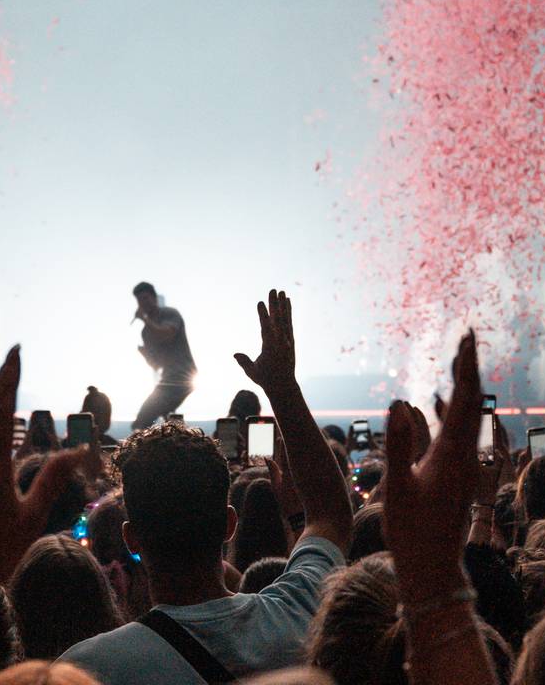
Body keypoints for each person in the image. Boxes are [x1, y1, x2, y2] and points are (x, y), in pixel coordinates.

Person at [59, 290, 351, 683]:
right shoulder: (298, 616)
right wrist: (283, 388)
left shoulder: (84, 670)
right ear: (228, 523)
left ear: (132, 540)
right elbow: (331, 513)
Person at [128, 283, 196, 432]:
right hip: (168, 378)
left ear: (154, 297)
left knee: (143, 419)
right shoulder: (145, 333)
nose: (143, 303)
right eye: (139, 300)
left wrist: (145, 320)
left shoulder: (170, 313)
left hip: (182, 375)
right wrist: (146, 355)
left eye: (145, 298)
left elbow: (167, 333)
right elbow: (157, 364)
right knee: (160, 418)